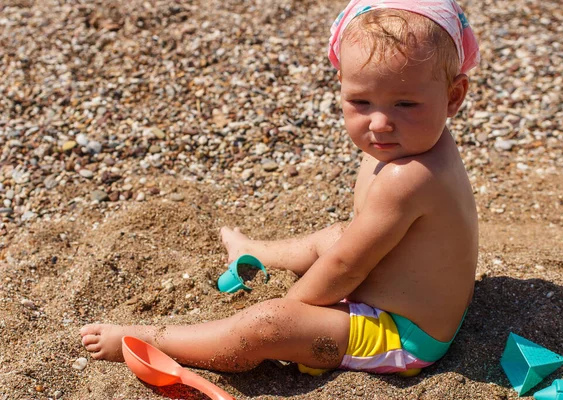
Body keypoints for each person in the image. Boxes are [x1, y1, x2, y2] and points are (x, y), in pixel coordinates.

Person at [81, 0, 480, 376]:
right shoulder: (416, 142)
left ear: (453, 96)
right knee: (340, 236)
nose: (379, 123)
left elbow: (345, 269)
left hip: (402, 336)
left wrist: (289, 311)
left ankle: (149, 340)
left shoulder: (408, 177)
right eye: (360, 102)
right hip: (424, 301)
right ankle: (256, 252)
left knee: (268, 324)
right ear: (340, 84)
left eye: (405, 104)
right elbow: (351, 254)